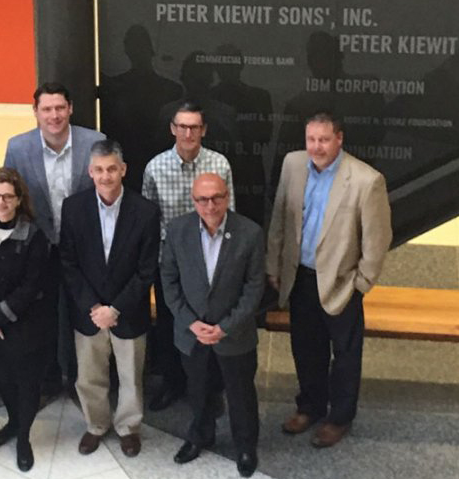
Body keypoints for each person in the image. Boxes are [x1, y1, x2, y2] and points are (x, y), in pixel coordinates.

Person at [267, 111, 392, 448]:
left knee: (346, 356)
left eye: (323, 140)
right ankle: (309, 407)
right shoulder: (293, 165)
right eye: (311, 139)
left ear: (339, 139)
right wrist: (274, 266)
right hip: (300, 278)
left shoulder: (366, 180)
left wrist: (361, 284)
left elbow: (377, 241)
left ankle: (339, 418)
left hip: (341, 284)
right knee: (306, 349)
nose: (316, 147)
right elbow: (279, 218)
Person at [60, 140, 160, 458]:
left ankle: (128, 428)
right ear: (90, 172)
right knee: (89, 376)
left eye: (112, 169)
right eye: (99, 170)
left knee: (131, 377)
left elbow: (146, 270)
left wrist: (115, 309)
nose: (106, 176)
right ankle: (96, 425)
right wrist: (94, 307)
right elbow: (68, 263)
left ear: (123, 170)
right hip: (88, 313)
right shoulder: (73, 208)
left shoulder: (145, 212)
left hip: (128, 312)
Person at [4, 82, 104, 396]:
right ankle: (47, 379)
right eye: (46, 109)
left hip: (83, 248)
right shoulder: (18, 148)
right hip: (39, 248)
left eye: (60, 108)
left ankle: (77, 379)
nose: (54, 115)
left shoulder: (95, 142)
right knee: (43, 316)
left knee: (81, 313)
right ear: (35, 112)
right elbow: (12, 198)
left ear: (70, 108)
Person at [161, 173, 264, 477]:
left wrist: (224, 327)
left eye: (217, 197)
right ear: (193, 201)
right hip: (192, 334)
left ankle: (245, 446)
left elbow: (254, 288)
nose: (210, 205)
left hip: (234, 334)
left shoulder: (250, 233)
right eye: (202, 199)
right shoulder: (177, 230)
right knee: (198, 390)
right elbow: (169, 282)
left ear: (227, 196)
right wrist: (191, 323)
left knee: (240, 394)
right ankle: (200, 435)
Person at [142, 101, 234, 411]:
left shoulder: (219, 165)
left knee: (209, 325)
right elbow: (149, 219)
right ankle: (172, 383)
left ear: (203, 130)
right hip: (170, 263)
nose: (188, 133)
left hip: (211, 261)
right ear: (173, 129)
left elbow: (230, 214)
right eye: (182, 126)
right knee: (170, 324)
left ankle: (211, 389)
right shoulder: (155, 168)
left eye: (194, 127)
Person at [0, 167, 53, 472]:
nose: (1, 202)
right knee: (2, 378)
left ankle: (23, 438)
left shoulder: (33, 235)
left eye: (7, 197)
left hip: (25, 322)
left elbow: (32, 285)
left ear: (19, 200)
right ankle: (13, 422)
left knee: (26, 383)